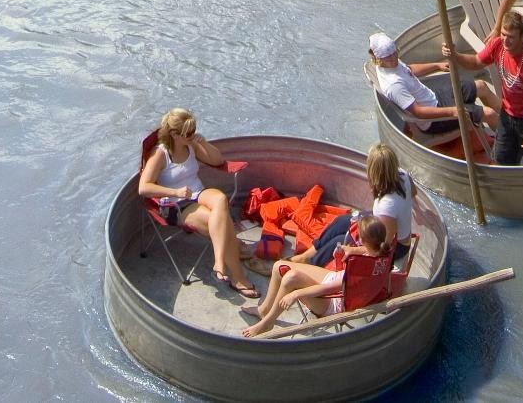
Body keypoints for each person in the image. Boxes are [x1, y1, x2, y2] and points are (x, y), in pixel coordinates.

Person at [138, 108, 260, 298]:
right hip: (177, 205)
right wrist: (174, 192)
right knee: (222, 222)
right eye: (188, 133)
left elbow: (217, 160)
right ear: (173, 134)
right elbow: (143, 188)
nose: (192, 135)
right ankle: (238, 278)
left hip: (199, 192)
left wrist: (202, 142)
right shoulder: (160, 154)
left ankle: (219, 262)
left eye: (194, 130)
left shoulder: (190, 145)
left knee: (220, 199)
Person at [241, 215, 391, 337]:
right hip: (338, 281)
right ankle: (264, 310)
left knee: (290, 278)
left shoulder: (360, 267)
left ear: (364, 240)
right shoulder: (384, 251)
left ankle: (268, 322)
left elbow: (326, 289)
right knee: (278, 266)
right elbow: (368, 249)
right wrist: (350, 249)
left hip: (334, 303)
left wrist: (295, 294)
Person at [443, 11, 523, 165]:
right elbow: (476, 62)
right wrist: (455, 55)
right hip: (508, 115)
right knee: (501, 159)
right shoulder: (497, 45)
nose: (505, 40)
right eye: (503, 34)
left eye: (511, 37)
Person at [290, 143, 414, 266]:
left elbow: (383, 246)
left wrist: (352, 249)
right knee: (341, 222)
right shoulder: (403, 174)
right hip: (383, 227)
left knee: (339, 242)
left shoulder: (386, 206)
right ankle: (305, 257)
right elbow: (414, 192)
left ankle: (311, 263)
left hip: (396, 248)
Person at [369, 32, 501, 133]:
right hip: (433, 121)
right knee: (490, 114)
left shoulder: (390, 64)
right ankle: (505, 142)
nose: (394, 58)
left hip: (434, 97)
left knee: (481, 86)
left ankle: (509, 118)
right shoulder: (393, 85)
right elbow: (418, 112)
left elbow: (408, 69)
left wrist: (436, 65)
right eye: (388, 56)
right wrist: (452, 112)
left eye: (394, 53)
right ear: (377, 58)